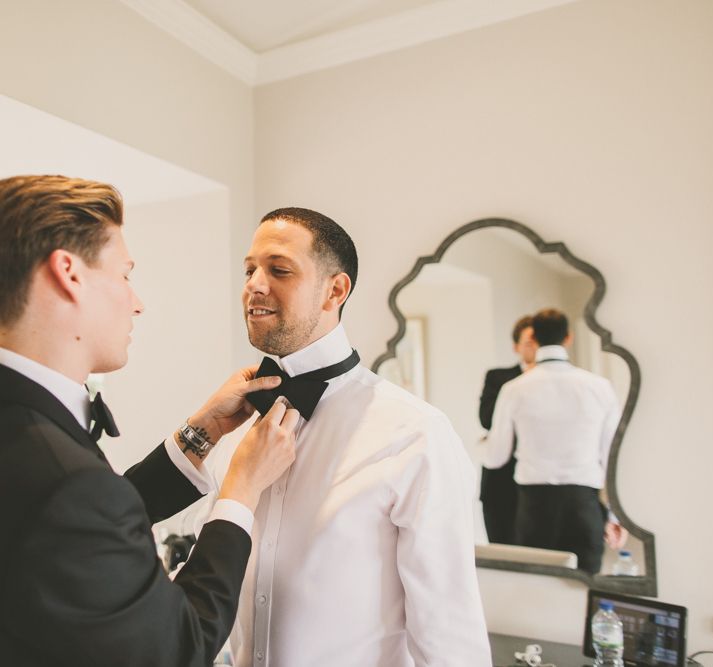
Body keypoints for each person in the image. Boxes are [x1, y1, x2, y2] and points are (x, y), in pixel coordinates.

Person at [0, 175, 299, 666]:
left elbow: (71, 532)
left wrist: (196, 437)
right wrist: (240, 492)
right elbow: (178, 647)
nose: (136, 301)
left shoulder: (27, 437)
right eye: (124, 275)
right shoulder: (64, 482)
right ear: (68, 273)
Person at [203, 208, 491, 666]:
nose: (254, 284)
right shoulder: (236, 426)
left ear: (335, 290)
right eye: (249, 269)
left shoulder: (415, 433)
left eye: (278, 269)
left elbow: (449, 634)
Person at [483, 308, 620, 573]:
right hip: (584, 504)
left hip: (535, 507)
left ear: (533, 337)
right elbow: (612, 460)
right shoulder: (599, 387)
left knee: (536, 591)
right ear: (568, 338)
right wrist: (615, 516)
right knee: (583, 591)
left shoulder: (514, 389)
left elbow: (496, 457)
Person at [478, 315, 536, 544]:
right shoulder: (499, 378)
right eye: (529, 343)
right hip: (501, 478)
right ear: (516, 347)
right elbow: (486, 419)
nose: (535, 348)